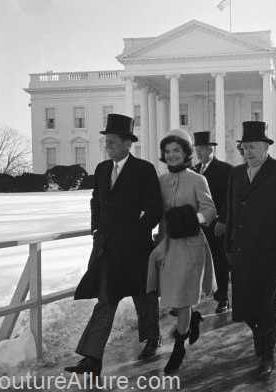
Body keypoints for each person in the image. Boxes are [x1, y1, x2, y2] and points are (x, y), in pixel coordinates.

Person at [65, 114, 163, 377]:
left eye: (112, 141)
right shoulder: (101, 169)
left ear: (127, 143)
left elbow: (155, 208)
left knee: (144, 297)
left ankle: (152, 339)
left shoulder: (144, 170)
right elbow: (96, 200)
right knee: (106, 301)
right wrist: (95, 226)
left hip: (136, 249)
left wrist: (138, 231)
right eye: (106, 141)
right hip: (108, 249)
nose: (107, 145)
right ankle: (92, 358)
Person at [226, 121, 276, 379]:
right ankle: (260, 337)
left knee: (268, 307)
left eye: (253, 147)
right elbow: (231, 214)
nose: (248, 152)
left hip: (270, 254)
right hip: (242, 254)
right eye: (245, 147)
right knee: (246, 308)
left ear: (266, 147)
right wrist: (228, 248)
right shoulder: (236, 174)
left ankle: (267, 354)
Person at [147, 128, 217, 374]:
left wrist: (192, 218)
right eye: (167, 151)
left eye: (177, 150)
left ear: (186, 153)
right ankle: (192, 320)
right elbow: (155, 211)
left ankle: (179, 345)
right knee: (173, 296)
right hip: (167, 245)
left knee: (185, 296)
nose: (172, 155)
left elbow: (210, 211)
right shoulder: (161, 181)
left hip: (190, 245)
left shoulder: (198, 179)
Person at [193, 131, 232, 313]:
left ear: (211, 148)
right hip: (197, 227)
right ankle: (195, 297)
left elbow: (229, 199)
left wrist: (223, 221)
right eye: (197, 149)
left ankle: (223, 298)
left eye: (202, 149)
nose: (199, 152)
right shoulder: (193, 170)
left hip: (216, 226)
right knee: (196, 262)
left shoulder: (225, 170)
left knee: (219, 262)